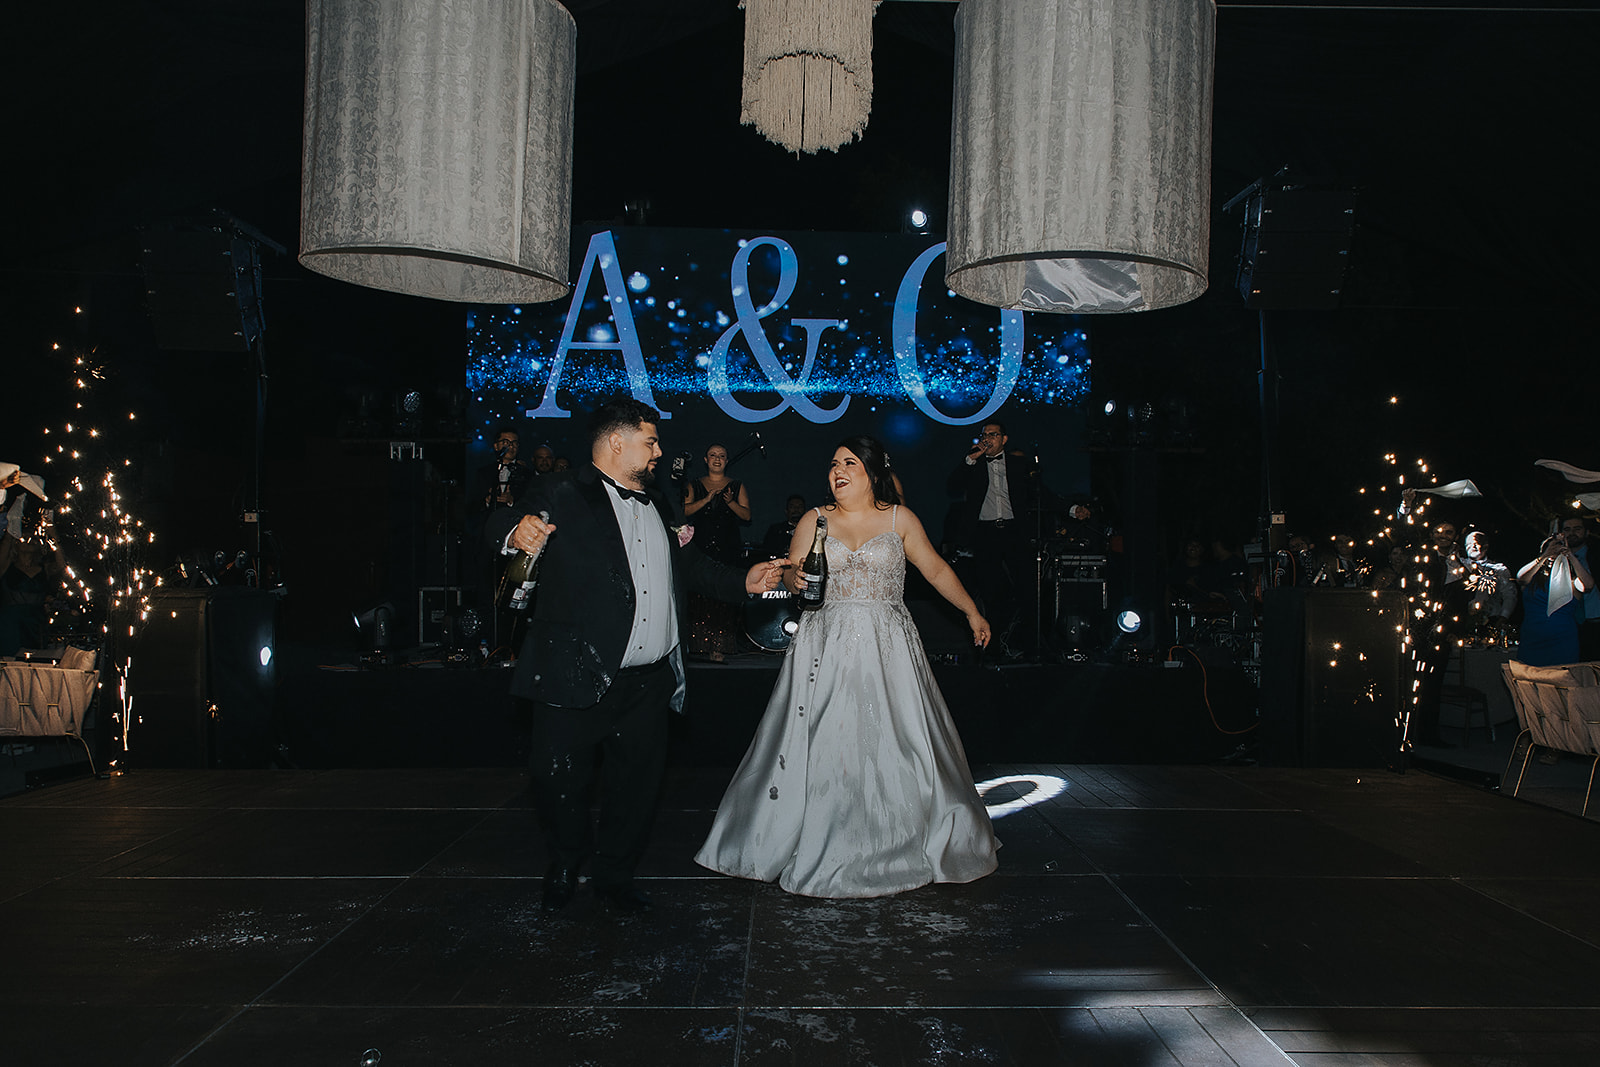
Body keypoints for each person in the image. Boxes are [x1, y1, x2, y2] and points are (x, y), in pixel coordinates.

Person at [484, 398, 785, 915]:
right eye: (651, 442)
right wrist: (516, 531)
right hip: (576, 671)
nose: (659, 452)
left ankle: (615, 876)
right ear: (616, 442)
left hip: (648, 682)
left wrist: (745, 582)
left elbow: (691, 568)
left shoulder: (661, 503)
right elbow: (500, 520)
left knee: (636, 788)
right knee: (559, 781)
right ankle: (565, 862)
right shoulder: (561, 490)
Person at [696, 434, 999, 898]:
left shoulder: (899, 519)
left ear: (873, 472)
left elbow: (936, 569)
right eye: (834, 464)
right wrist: (795, 577)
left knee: (899, 739)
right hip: (826, 643)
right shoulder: (815, 520)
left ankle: (904, 834)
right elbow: (794, 575)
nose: (837, 470)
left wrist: (971, 612)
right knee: (827, 738)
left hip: (887, 645)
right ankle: (815, 835)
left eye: (849, 463)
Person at [945, 421, 1038, 656]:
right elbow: (952, 486)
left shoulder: (1017, 464)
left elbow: (1039, 493)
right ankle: (993, 648)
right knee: (991, 591)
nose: (987, 438)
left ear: (1004, 439)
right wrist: (970, 459)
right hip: (986, 533)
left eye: (993, 434)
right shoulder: (974, 465)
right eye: (984, 435)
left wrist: (1071, 509)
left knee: (1026, 588)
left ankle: (1030, 645)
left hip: (1014, 531)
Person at [682, 443, 751, 662]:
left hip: (727, 547)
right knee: (700, 594)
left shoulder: (736, 485)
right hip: (701, 546)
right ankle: (697, 646)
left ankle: (719, 647)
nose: (717, 459)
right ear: (706, 460)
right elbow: (684, 510)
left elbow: (747, 515)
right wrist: (705, 500)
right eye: (713, 455)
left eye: (721, 455)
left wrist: (730, 503)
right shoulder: (694, 484)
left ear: (727, 460)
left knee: (723, 593)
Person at [1516, 524, 1594, 667]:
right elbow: (1521, 578)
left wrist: (1570, 555)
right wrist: (1544, 556)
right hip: (1532, 640)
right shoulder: (1532, 579)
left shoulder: (1572, 581)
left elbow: (1588, 585)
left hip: (1562, 641)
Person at [761, 493, 807, 558]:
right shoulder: (776, 530)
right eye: (792, 507)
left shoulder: (811, 530)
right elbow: (767, 551)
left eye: (800, 507)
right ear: (786, 511)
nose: (796, 509)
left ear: (805, 511)